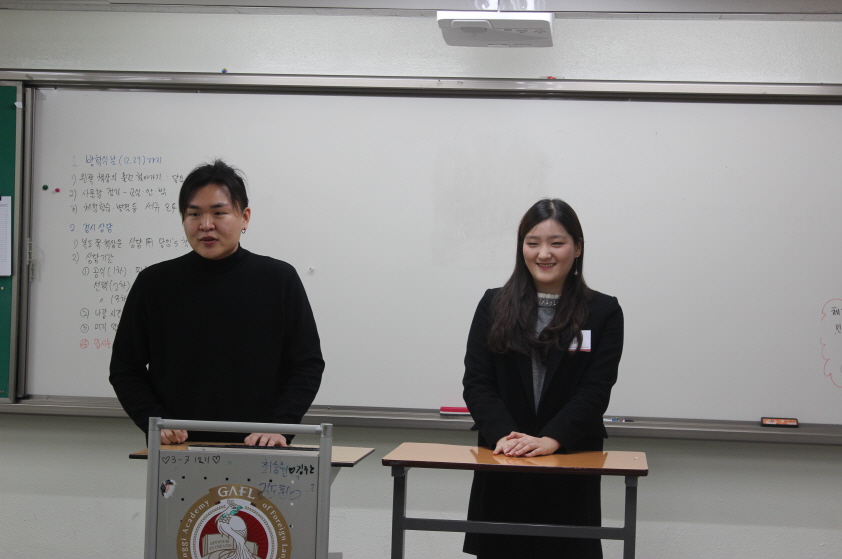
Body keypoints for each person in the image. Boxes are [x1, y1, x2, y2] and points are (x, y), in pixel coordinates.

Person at [109, 160, 324, 446]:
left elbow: (307, 364)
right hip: (178, 447)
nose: (206, 225)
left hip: (261, 445)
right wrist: (155, 422)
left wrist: (280, 426)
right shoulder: (154, 283)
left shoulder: (278, 279)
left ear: (244, 217)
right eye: (194, 214)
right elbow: (125, 368)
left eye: (219, 213)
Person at [462, 198, 623, 559]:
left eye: (557, 243)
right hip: (504, 457)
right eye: (532, 242)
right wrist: (507, 438)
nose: (543, 253)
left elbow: (596, 389)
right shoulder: (494, 305)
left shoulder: (603, 311)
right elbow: (477, 382)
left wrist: (551, 439)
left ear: (577, 247)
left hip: (570, 456)